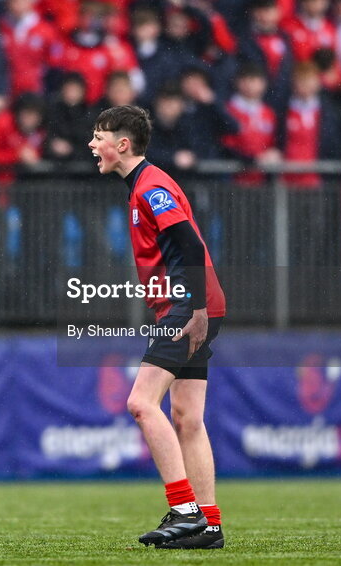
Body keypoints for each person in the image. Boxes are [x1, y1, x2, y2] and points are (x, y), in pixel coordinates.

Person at [87, 104, 226, 549]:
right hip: (193, 305)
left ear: (122, 145)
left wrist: (196, 309)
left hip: (187, 307)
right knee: (187, 418)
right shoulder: (143, 185)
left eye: (99, 136)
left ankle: (185, 510)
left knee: (141, 403)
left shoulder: (151, 186)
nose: (92, 144)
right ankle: (208, 525)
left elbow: (187, 241)